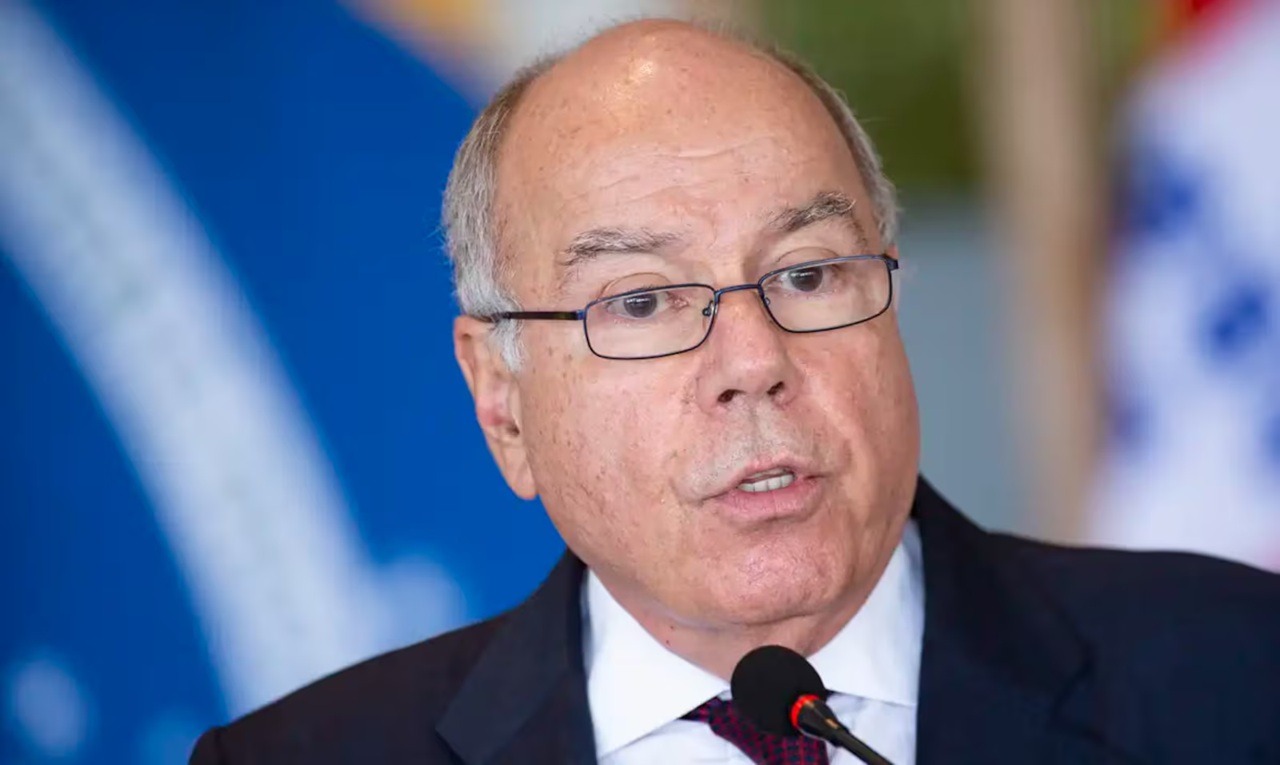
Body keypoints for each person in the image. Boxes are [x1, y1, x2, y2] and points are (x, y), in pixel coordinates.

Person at [189, 18, 1280, 765]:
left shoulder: (1238, 675)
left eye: (807, 275)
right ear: (501, 402)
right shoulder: (305, 756)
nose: (754, 360)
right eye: (641, 301)